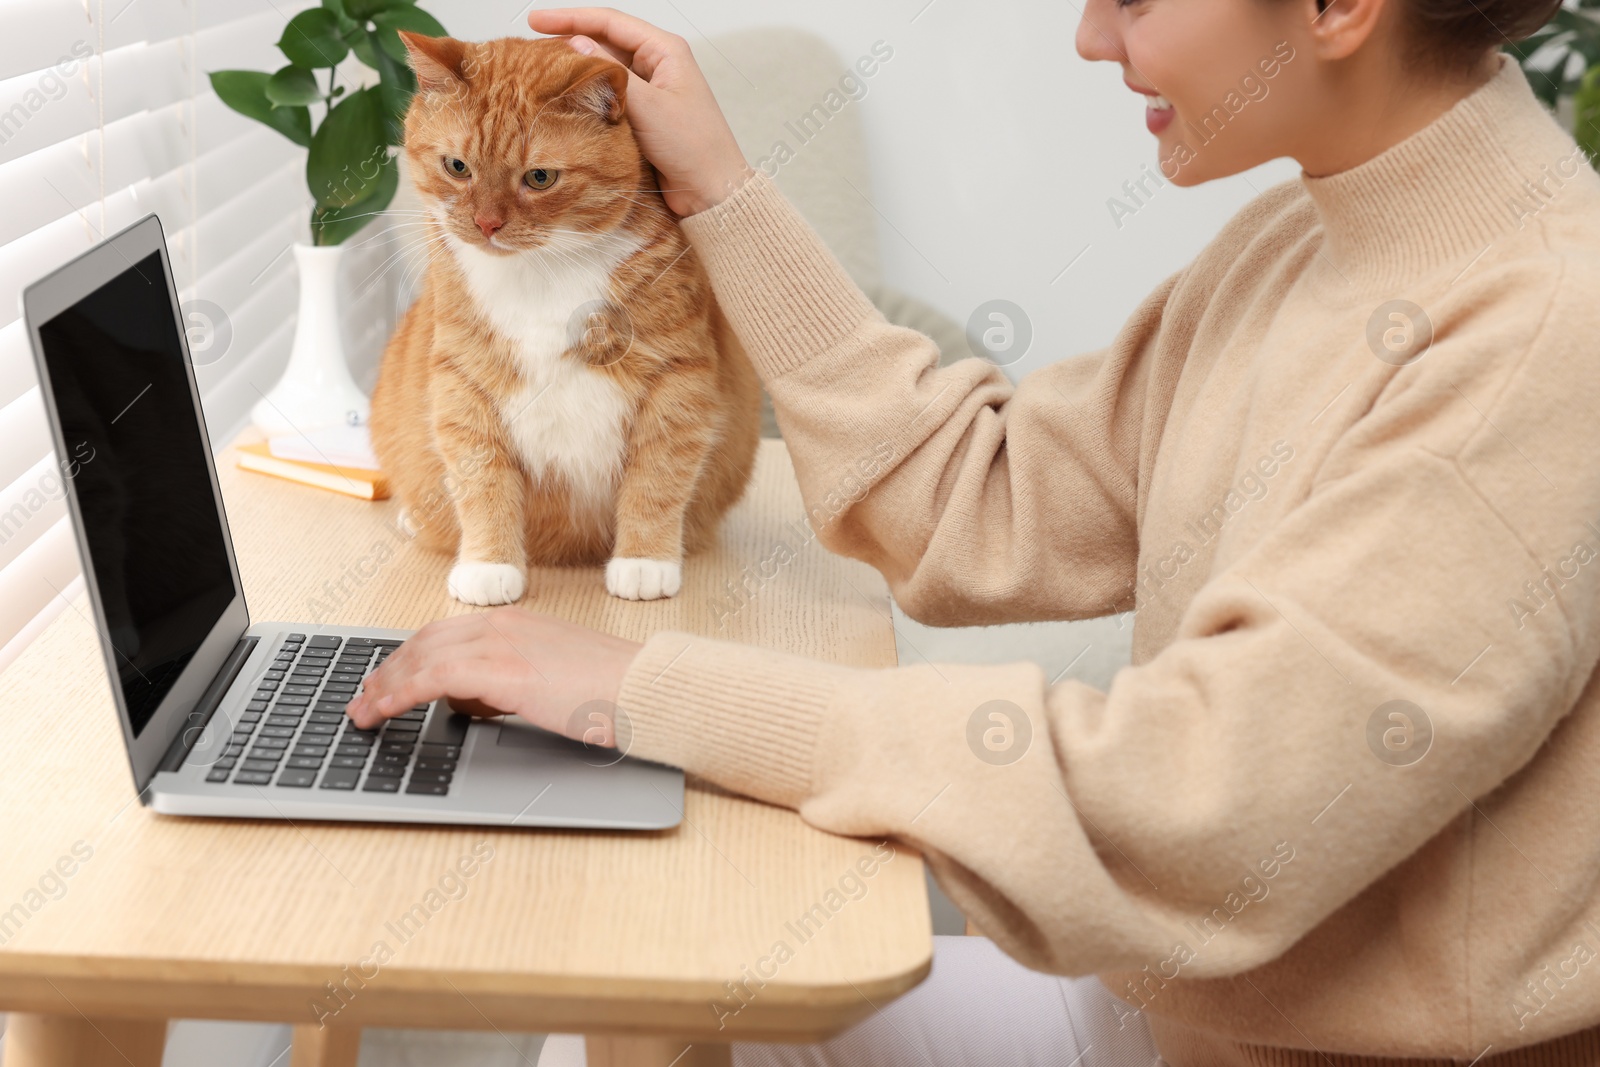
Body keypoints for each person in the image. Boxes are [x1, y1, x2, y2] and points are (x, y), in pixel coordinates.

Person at [347, 0, 1600, 1061]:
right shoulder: (1300, 238)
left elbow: (1202, 805)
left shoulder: (1543, 338)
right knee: (647, 996)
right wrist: (720, 187)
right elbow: (982, 497)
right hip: (1166, 1014)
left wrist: (653, 690)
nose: (1089, 38)